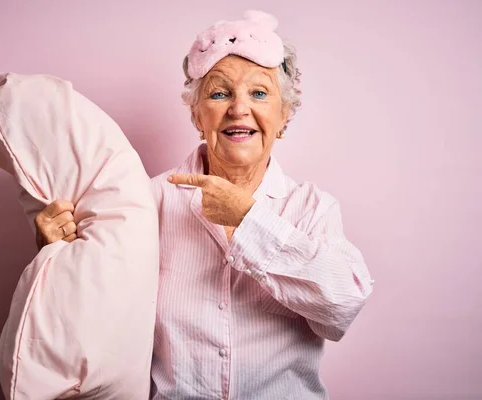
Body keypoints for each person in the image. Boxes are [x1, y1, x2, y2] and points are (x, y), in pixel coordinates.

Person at [33, 10, 374, 400]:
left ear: (285, 116)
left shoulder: (313, 207)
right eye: (219, 93)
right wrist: (56, 256)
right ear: (197, 114)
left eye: (259, 93)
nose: (238, 109)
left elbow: (343, 305)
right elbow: (92, 310)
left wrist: (249, 221)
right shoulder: (145, 200)